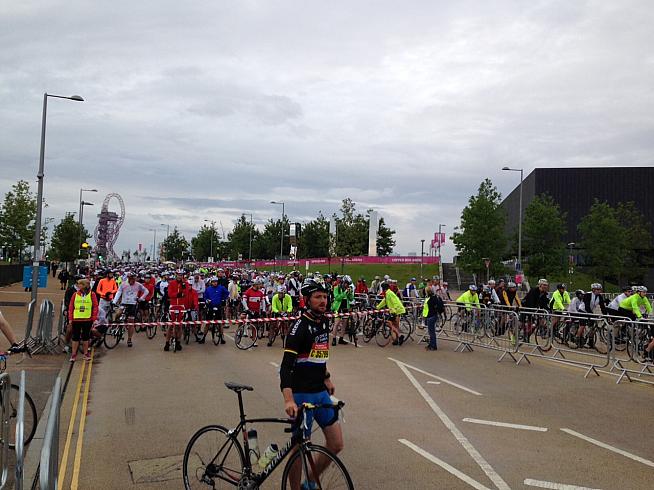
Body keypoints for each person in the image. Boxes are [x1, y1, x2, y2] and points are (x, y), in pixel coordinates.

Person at [279, 278, 343, 488]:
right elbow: (286, 367)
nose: (323, 301)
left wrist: (326, 377)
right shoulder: (299, 328)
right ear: (307, 300)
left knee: (336, 444)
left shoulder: (323, 321)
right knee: (299, 448)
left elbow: (318, 355)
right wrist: (289, 400)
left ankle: (311, 482)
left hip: (320, 392)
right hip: (301, 396)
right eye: (318, 297)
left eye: (325, 297)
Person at [113, 272, 148, 347]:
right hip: (124, 303)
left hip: (132, 304)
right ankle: (115, 324)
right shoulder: (123, 284)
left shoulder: (138, 285)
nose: (133, 280)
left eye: (134, 279)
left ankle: (129, 339)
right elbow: (118, 292)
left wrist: (141, 298)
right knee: (118, 313)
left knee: (131, 322)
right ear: (128, 278)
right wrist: (114, 301)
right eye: (131, 279)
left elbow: (146, 291)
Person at [67, 278, 98, 362]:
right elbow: (71, 307)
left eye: (80, 284)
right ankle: (73, 355)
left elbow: (95, 307)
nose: (78, 286)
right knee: (75, 337)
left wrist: (94, 318)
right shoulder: (75, 294)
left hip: (87, 319)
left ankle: (86, 354)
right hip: (76, 319)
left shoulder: (92, 294)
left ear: (85, 285)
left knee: (86, 337)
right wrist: (70, 318)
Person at [202, 277, 228, 344]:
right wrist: (206, 300)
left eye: (216, 281)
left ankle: (222, 337)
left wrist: (223, 299)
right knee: (207, 323)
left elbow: (227, 293)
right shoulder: (208, 289)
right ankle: (203, 337)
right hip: (210, 307)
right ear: (211, 282)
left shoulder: (221, 288)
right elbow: (205, 297)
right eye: (213, 282)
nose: (215, 283)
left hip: (218, 306)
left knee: (219, 323)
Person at [331, 275, 354, 346]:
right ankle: (334, 339)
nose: (347, 285)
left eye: (348, 284)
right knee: (336, 323)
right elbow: (337, 298)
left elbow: (351, 299)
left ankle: (341, 338)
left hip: (345, 308)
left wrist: (349, 293)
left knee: (344, 324)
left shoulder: (348, 288)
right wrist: (344, 293)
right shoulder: (336, 288)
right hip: (338, 308)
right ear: (343, 282)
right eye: (346, 283)